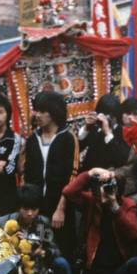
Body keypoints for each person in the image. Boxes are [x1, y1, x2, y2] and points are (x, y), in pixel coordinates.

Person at [24, 91, 79, 258]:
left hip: (60, 209)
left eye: (42, 111)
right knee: (37, 252)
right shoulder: (32, 140)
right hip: (37, 212)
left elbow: (73, 175)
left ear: (54, 112)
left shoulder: (68, 138)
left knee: (62, 252)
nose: (37, 115)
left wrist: (61, 208)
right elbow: (28, 175)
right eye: (36, 110)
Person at [78, 93, 131, 170]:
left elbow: (122, 159)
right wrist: (86, 128)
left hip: (107, 177)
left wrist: (108, 133)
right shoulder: (95, 127)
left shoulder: (123, 132)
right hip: (86, 175)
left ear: (115, 116)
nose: (104, 118)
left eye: (109, 115)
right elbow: (77, 148)